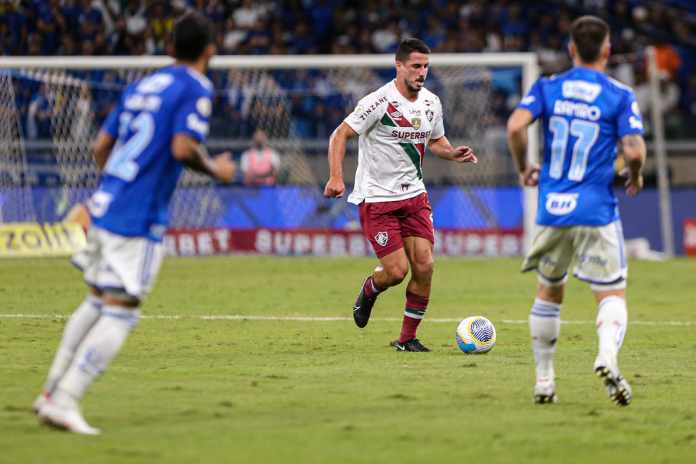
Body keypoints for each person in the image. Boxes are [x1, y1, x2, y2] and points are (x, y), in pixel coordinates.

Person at [33, 12, 236, 434]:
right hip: (137, 216)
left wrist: (119, 185)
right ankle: (66, 399)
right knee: (122, 308)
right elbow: (182, 148)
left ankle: (50, 391)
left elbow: (100, 147)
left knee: (96, 299)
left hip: (106, 203)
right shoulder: (196, 86)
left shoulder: (143, 83)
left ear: (169, 48)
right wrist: (216, 170)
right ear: (210, 51)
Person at [506, 16, 646, 406]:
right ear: (607, 49)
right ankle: (606, 354)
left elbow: (516, 126)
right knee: (610, 292)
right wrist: (634, 175)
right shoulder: (618, 94)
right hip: (596, 209)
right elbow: (633, 149)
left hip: (553, 208)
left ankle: (544, 380)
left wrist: (522, 169)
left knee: (549, 291)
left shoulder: (549, 87)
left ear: (571, 49)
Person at [323, 38, 478, 352]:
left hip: (415, 198)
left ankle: (407, 339)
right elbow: (341, 133)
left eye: (425, 67)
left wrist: (452, 153)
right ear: (399, 66)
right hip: (378, 200)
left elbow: (436, 141)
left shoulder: (432, 102)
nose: (422, 73)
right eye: (416, 66)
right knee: (396, 272)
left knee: (425, 266)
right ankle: (370, 289)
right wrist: (336, 177)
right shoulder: (378, 102)